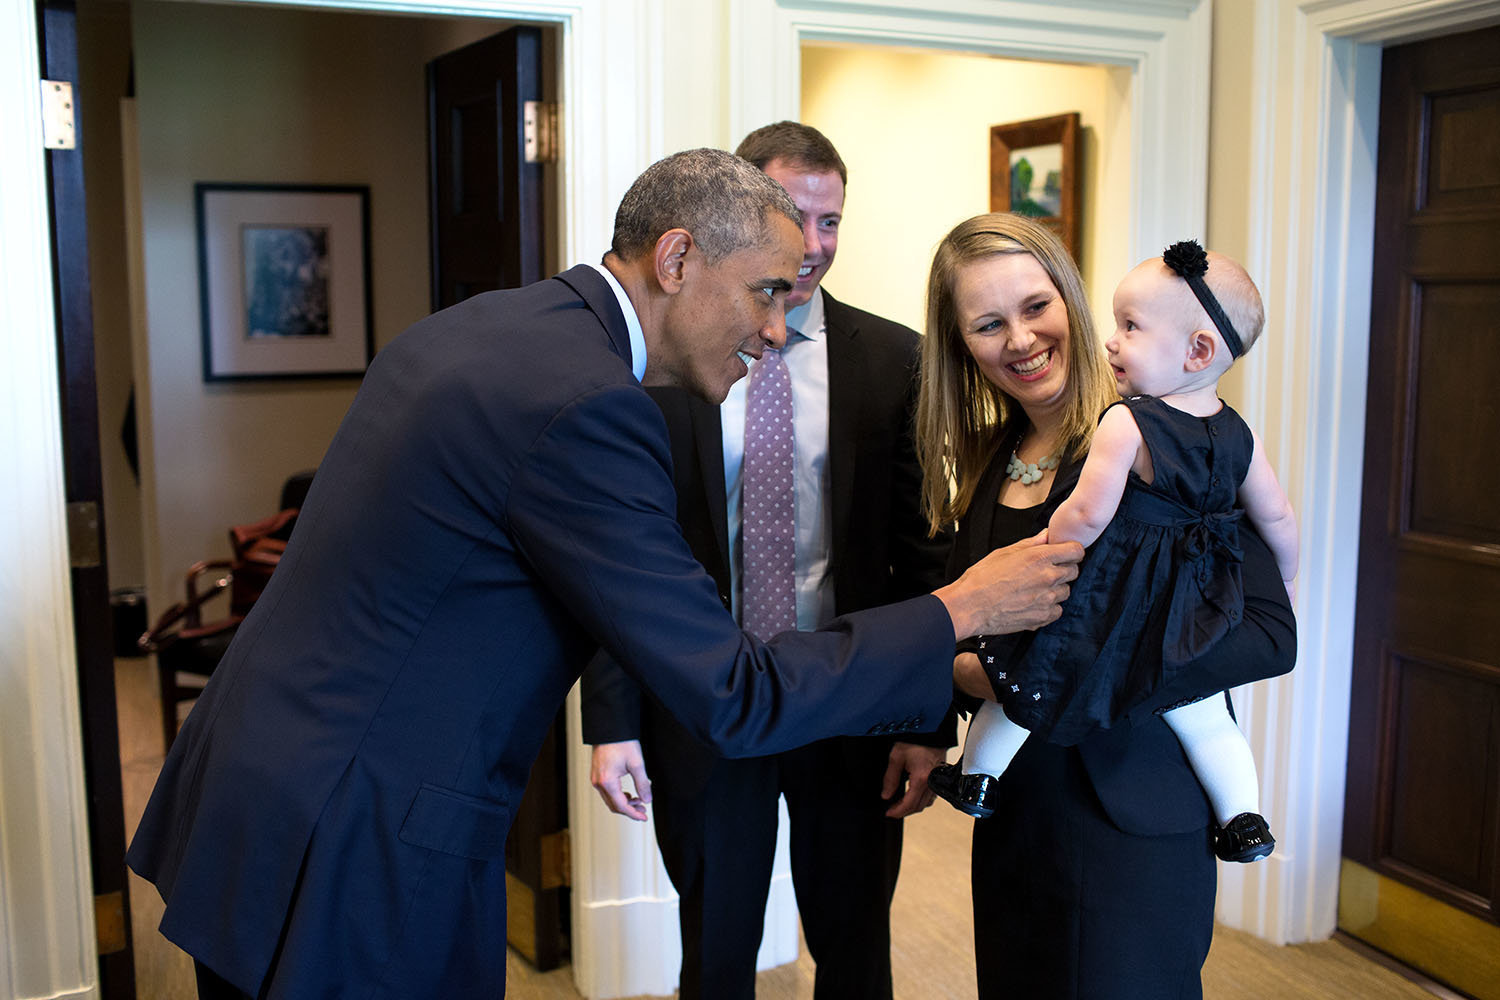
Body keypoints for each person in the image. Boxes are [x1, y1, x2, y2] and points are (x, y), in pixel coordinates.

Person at [125, 152, 1081, 1000]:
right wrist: (958, 608)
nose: (778, 329)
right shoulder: (588, 406)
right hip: (354, 836)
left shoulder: (488, 328)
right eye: (764, 292)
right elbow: (733, 692)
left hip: (257, 787)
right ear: (676, 261)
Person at [582, 122, 951, 1000]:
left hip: (851, 703)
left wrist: (926, 719)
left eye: (833, 223)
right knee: (715, 948)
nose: (816, 247)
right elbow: (623, 555)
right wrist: (612, 719)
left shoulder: (893, 359)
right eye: (799, 219)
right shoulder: (663, 360)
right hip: (710, 704)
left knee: (857, 948)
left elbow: (920, 552)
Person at [915, 213, 1296, 998]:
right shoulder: (996, 456)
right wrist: (963, 672)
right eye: (989, 324)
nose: (1019, 339)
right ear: (964, 344)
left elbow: (1268, 636)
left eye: (1034, 306)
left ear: (1074, 301)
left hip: (1133, 816)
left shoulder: (1170, 442)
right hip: (1018, 813)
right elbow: (966, 628)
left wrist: (1080, 673)